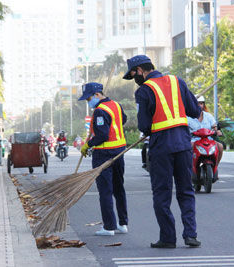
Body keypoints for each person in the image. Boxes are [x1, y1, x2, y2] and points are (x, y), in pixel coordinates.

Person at [123, 55, 201, 248]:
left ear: (140, 70)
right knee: (186, 192)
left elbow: (144, 125)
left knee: (162, 194)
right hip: (183, 146)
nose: (135, 79)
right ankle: (190, 235)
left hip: (161, 149)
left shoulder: (144, 91)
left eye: (134, 75)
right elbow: (193, 111)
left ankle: (168, 238)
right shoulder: (177, 81)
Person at [79, 82, 128, 236]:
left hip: (104, 154)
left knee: (105, 191)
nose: (89, 102)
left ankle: (108, 227)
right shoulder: (116, 105)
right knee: (119, 188)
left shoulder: (100, 111)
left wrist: (88, 145)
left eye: (89, 99)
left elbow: (102, 136)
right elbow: (123, 120)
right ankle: (122, 223)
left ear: (97, 95)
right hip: (119, 151)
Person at [187, 96, 223, 166]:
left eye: (201, 103)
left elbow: (214, 126)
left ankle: (215, 166)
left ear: (203, 105)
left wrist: (217, 131)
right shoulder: (188, 117)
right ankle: (190, 167)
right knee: (187, 147)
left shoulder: (208, 116)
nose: (199, 105)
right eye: (196, 103)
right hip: (194, 141)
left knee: (220, 146)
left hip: (208, 140)